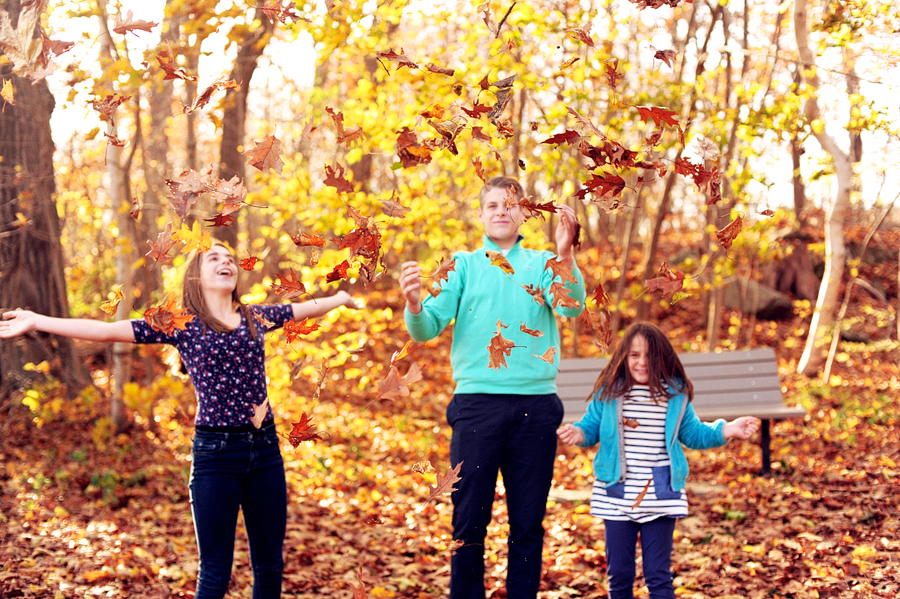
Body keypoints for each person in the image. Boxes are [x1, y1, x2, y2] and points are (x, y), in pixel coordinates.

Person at [0, 243, 361, 599]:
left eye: (230, 259)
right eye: (214, 258)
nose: (226, 262)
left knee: (269, 568)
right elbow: (109, 330)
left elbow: (303, 309)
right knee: (216, 572)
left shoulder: (256, 316)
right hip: (215, 457)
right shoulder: (181, 325)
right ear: (196, 276)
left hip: (265, 452)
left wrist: (341, 298)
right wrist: (38, 321)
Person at [399, 176, 586, 599]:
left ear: (523, 213)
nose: (501, 210)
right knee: (468, 520)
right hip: (475, 407)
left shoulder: (541, 263)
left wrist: (565, 254)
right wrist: (413, 303)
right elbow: (427, 326)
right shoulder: (463, 265)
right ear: (481, 215)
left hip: (536, 409)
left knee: (527, 522)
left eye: (510, 204)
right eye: (492, 206)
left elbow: (572, 304)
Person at [556, 322, 760, 599]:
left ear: (662, 358)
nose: (642, 363)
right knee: (620, 575)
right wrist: (577, 433)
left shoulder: (674, 395)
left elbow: (694, 433)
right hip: (616, 494)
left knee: (658, 575)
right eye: (634, 355)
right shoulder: (610, 393)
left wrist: (727, 429)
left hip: (661, 494)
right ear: (624, 358)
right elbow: (591, 427)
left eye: (650, 356)